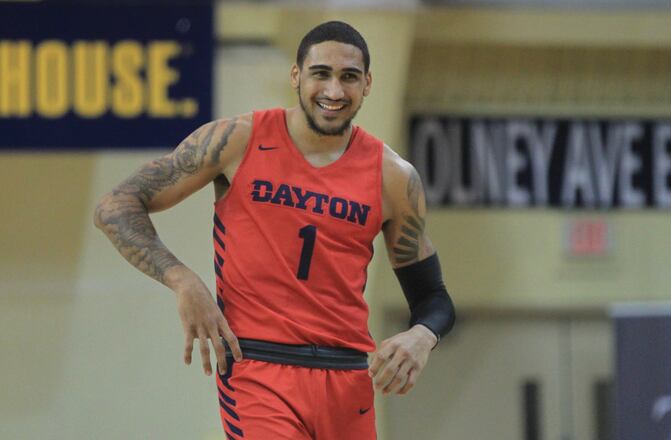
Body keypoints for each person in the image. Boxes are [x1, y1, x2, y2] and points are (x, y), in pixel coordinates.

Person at [94, 21, 455, 439]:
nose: (334, 91)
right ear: (296, 75)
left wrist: (421, 337)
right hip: (259, 371)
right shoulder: (236, 140)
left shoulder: (393, 176)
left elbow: (433, 297)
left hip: (348, 378)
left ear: (368, 83)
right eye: (321, 74)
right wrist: (183, 280)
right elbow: (115, 207)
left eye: (349, 77)